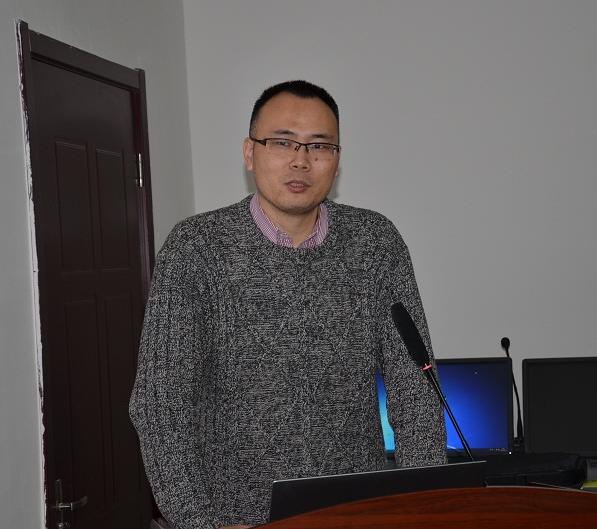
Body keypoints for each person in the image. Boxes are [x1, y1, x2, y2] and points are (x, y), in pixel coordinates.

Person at [129, 80, 446, 529]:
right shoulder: (195, 249)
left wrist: (423, 508)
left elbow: (415, 389)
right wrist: (200, 523)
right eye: (282, 142)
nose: (301, 160)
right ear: (250, 152)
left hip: (354, 513)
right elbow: (161, 404)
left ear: (336, 161)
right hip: (235, 518)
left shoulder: (377, 243)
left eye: (319, 146)